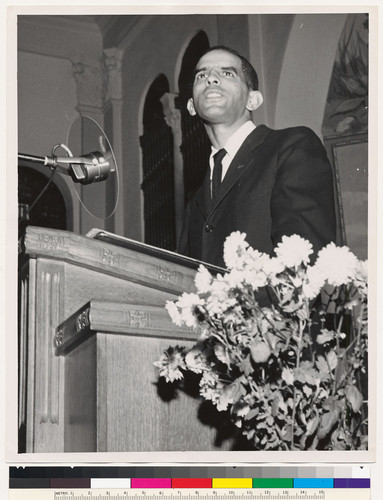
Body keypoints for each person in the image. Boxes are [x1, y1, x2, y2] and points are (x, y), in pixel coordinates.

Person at [178, 46, 337, 268]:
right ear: (191, 106)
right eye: (201, 75)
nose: (211, 79)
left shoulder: (291, 147)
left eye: (227, 73)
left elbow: (306, 262)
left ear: (252, 100)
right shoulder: (194, 204)